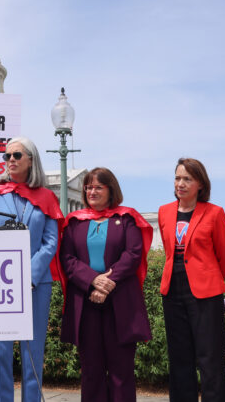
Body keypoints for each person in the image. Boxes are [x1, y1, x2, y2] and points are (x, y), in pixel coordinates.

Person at [0, 136, 63, 402]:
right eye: (7, 156)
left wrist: (29, 274)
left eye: (16, 155)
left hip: (37, 283)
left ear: (31, 160)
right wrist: (9, 275)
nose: (10, 160)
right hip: (1, 282)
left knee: (32, 350)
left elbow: (50, 241)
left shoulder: (46, 196)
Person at [60, 167, 153, 402]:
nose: (92, 191)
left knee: (121, 371)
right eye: (88, 187)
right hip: (86, 302)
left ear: (111, 190)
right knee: (91, 371)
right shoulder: (74, 222)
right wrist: (92, 281)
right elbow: (67, 259)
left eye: (98, 187)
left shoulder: (127, 218)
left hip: (120, 302)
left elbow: (133, 254)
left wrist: (107, 283)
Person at [158, 157, 225, 402]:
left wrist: (207, 280)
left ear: (200, 183)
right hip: (172, 289)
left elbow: (223, 256)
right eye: (177, 178)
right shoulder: (164, 212)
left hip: (205, 292)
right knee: (179, 357)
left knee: (210, 357)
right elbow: (169, 251)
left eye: (187, 179)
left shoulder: (214, 213)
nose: (181, 183)